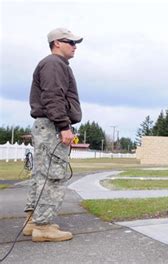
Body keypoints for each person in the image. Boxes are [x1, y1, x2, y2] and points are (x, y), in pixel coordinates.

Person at [23, 28, 83, 242]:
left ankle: (34, 221)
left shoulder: (54, 64)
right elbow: (53, 97)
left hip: (47, 125)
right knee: (53, 175)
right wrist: (64, 126)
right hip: (52, 126)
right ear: (57, 43)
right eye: (71, 42)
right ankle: (44, 227)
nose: (75, 46)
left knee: (42, 174)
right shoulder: (54, 64)